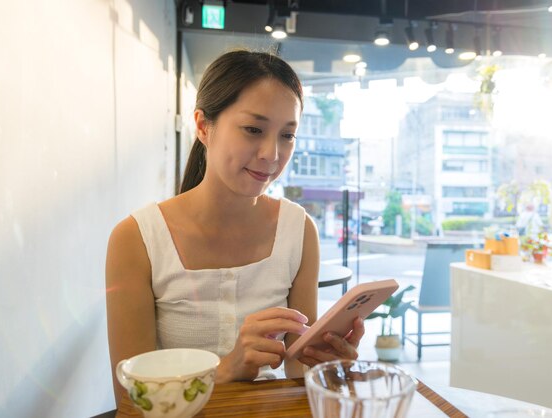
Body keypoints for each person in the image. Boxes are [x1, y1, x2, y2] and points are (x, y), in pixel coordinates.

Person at [105, 50, 364, 405]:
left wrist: (327, 367)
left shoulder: (299, 230)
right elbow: (132, 402)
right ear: (202, 126)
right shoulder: (136, 239)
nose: (272, 154)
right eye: (253, 129)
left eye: (287, 136)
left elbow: (296, 370)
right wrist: (226, 371)